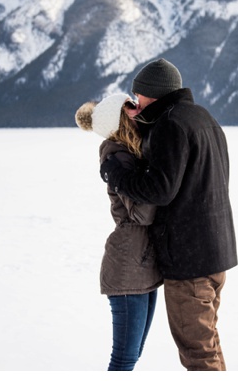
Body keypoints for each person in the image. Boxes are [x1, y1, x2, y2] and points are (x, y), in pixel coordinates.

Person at [100, 58, 238, 371]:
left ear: (151, 94)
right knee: (207, 343)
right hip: (215, 251)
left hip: (189, 260)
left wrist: (115, 173)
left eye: (138, 96)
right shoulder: (202, 118)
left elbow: (158, 190)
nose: (135, 102)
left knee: (198, 352)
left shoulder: (171, 125)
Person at [75, 93, 162, 371]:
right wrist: (158, 178)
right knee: (124, 360)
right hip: (127, 267)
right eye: (131, 108)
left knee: (133, 356)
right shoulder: (119, 156)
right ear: (120, 119)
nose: (138, 111)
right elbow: (141, 213)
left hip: (142, 265)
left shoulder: (134, 151)